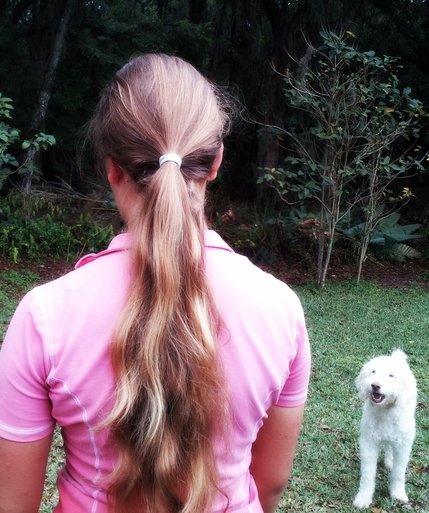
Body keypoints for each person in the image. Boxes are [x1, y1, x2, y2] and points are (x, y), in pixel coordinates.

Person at [0, 54, 311, 513]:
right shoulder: (281, 309)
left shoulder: (45, 316)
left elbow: (14, 502)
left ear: (112, 168)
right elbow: (269, 486)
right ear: (216, 161)